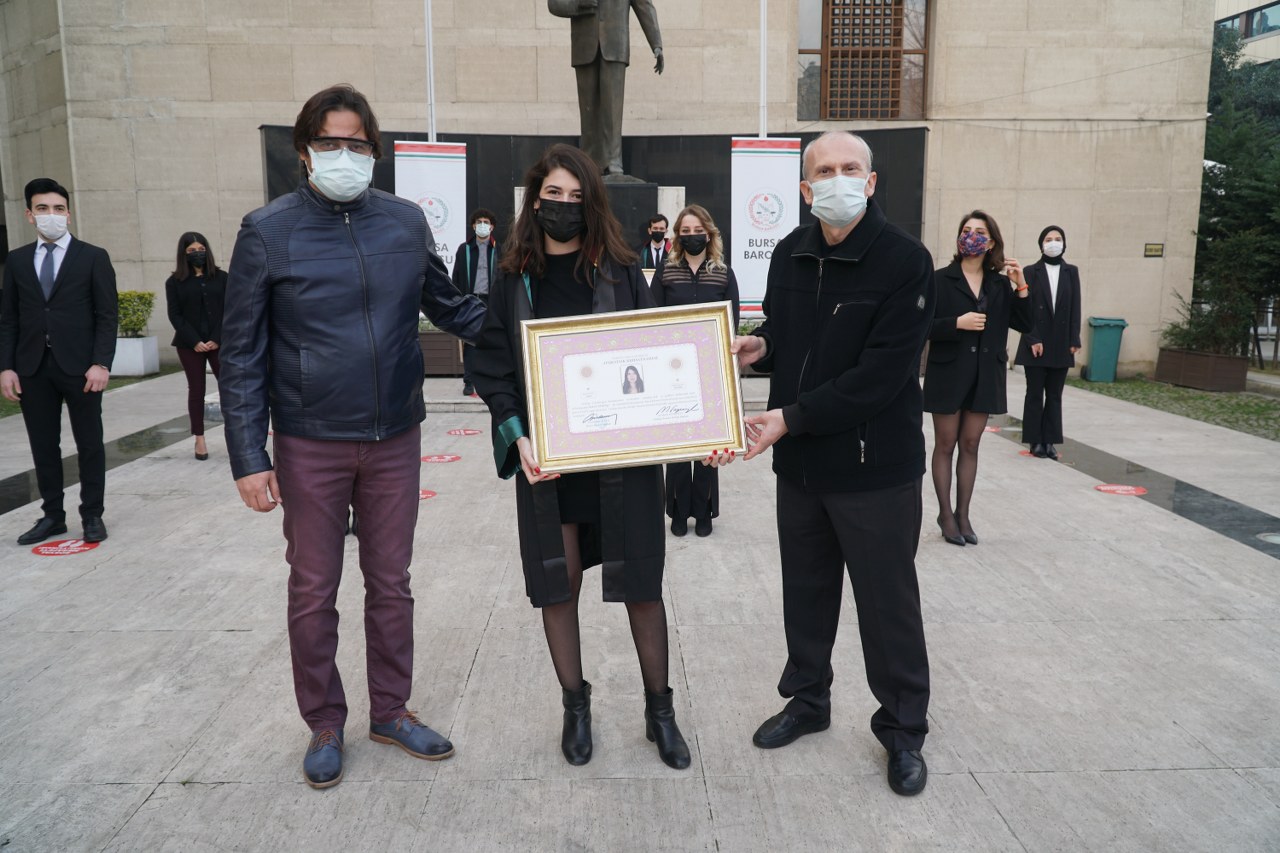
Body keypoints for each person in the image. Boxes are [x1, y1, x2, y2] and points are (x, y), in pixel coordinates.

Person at [219, 85, 486, 790]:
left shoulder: (403, 222)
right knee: (313, 587)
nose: (345, 155)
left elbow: (453, 308)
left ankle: (391, 711)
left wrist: (543, 318)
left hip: (394, 434)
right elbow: (241, 352)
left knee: (391, 583)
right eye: (330, 143)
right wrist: (248, 455)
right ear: (305, 152)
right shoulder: (267, 231)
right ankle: (324, 722)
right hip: (310, 438)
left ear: (374, 150)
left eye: (357, 144)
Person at [471, 143, 724, 770]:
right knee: (557, 584)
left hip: (622, 459)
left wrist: (703, 423)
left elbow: (659, 354)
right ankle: (575, 705)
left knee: (642, 583)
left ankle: (659, 711)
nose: (564, 205)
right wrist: (518, 436)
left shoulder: (621, 271)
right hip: (549, 462)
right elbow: (493, 367)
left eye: (576, 196)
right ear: (535, 202)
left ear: (593, 204)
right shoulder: (512, 278)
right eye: (553, 194)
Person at [731, 131, 935, 797]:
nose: (837, 179)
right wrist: (759, 347)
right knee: (807, 592)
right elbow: (787, 333)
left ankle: (903, 729)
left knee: (887, 605)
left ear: (871, 183)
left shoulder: (905, 260)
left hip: (875, 469)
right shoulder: (791, 251)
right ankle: (808, 699)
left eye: (850, 169)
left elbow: (881, 375)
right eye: (824, 171)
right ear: (805, 187)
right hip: (802, 467)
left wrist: (788, 417)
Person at [0, 178, 117, 546]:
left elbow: (107, 315)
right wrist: (7, 367)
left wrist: (101, 362)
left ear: (68, 213)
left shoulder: (93, 257)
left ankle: (92, 514)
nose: (51, 215)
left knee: (90, 443)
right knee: (43, 446)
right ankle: (52, 516)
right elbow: (9, 319)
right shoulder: (17, 260)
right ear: (29, 215)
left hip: (82, 368)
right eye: (42, 208)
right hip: (33, 368)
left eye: (58, 208)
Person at [922, 211, 1033, 546]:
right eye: (966, 230)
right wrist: (956, 323)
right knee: (946, 444)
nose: (971, 236)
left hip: (985, 375)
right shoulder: (940, 279)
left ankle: (963, 515)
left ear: (992, 242)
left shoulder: (999, 284)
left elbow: (1025, 324)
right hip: (948, 373)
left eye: (980, 232)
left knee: (971, 444)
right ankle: (945, 515)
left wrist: (1021, 285)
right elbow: (920, 325)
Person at [650, 203, 740, 537]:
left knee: (707, 446)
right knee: (678, 445)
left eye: (698, 231)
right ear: (677, 236)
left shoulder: (723, 273)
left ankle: (703, 511)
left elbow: (731, 322)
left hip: (710, 371)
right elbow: (650, 316)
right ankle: (677, 510)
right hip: (672, 371)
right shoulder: (666, 271)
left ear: (709, 234)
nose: (692, 236)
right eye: (685, 231)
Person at [547, 0, 663, 177]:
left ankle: (613, 162)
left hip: (615, 45)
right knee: (588, 112)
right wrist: (579, 3)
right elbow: (554, 4)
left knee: (613, 111)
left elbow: (644, 6)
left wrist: (656, 44)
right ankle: (588, 164)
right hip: (584, 46)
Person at [1014, 226, 1081, 461]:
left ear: (1064, 243)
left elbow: (1075, 306)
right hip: (1036, 342)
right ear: (1041, 244)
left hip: (1061, 342)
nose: (1054, 243)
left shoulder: (1071, 272)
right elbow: (1025, 308)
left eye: (1058, 239)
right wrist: (1033, 338)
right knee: (1034, 393)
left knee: (1054, 395)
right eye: (1049, 239)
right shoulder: (1030, 271)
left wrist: (1074, 338)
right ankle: (1035, 440)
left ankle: (1049, 441)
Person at [165, 231, 226, 461]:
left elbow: (230, 309)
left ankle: (236, 434)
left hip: (219, 342)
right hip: (189, 344)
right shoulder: (174, 282)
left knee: (229, 388)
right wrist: (195, 341)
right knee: (197, 389)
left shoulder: (222, 278)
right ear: (184, 254)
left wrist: (217, 337)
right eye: (192, 251)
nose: (197, 253)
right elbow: (175, 315)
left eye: (201, 249)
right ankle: (199, 439)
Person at [452, 208, 498, 397]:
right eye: (479, 222)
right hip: (470, 300)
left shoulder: (499, 249)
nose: (482, 225)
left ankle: (491, 380)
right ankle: (469, 382)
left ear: (492, 227)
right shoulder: (464, 249)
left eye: (486, 222)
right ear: (473, 226)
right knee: (470, 343)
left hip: (491, 301)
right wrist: (457, 301)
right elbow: (456, 277)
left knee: (492, 341)